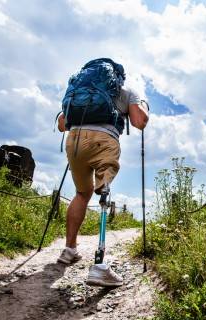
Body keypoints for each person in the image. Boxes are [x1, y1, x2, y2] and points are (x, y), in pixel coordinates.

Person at [56, 59, 148, 287]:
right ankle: (99, 266)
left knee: (81, 193)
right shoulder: (126, 91)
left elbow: (61, 124)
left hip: (75, 140)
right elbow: (139, 122)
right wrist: (143, 105)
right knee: (104, 191)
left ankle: (69, 250)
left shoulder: (79, 89)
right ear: (119, 76)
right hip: (104, 140)